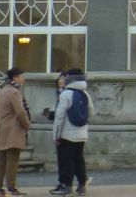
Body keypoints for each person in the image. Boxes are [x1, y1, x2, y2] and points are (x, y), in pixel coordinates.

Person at [49, 68, 92, 196]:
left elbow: (59, 116)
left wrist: (56, 135)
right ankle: (82, 185)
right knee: (79, 159)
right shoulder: (85, 93)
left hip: (67, 133)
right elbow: (91, 112)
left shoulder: (66, 94)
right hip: (82, 133)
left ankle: (67, 186)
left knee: (67, 160)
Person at [0, 66, 31, 197]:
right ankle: (12, 187)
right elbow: (20, 112)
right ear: (15, 77)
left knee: (2, 159)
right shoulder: (14, 92)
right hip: (13, 130)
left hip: (2, 128)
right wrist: (27, 125)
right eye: (21, 76)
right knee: (12, 159)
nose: (23, 79)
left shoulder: (2, 91)